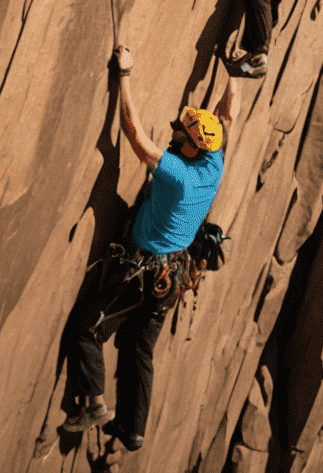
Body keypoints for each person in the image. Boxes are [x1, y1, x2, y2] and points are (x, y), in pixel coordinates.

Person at [63, 49, 237, 450]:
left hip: (139, 275)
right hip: (170, 281)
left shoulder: (177, 174)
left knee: (84, 328)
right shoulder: (214, 163)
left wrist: (124, 76)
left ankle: (94, 404)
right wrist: (233, 77)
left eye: (182, 133)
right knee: (139, 349)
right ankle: (132, 429)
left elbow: (134, 135)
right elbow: (228, 117)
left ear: (194, 146)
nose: (175, 132)